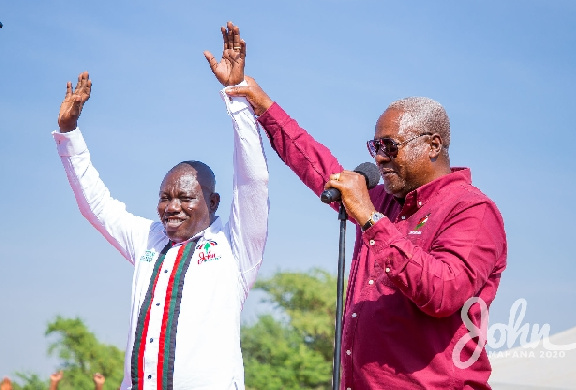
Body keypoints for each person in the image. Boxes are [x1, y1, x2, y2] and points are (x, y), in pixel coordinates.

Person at [224, 75, 507, 389]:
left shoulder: (472, 210)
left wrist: (372, 220)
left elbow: (443, 294)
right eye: (375, 146)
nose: (379, 157)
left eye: (389, 146)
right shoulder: (383, 202)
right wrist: (260, 102)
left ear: (433, 145)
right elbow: (317, 166)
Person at [53, 22, 269, 390]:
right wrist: (69, 134)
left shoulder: (233, 244)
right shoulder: (147, 239)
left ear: (213, 202)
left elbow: (253, 182)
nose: (171, 207)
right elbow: (97, 204)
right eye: (165, 197)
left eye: (185, 197)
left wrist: (236, 95)